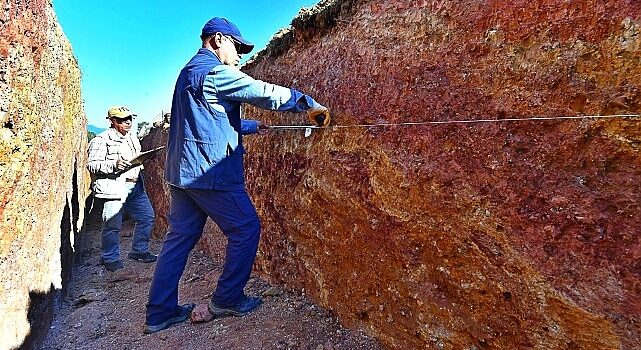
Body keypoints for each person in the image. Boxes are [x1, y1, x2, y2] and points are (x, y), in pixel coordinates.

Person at [144, 17, 330, 334]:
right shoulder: (216, 71)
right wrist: (307, 104)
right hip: (208, 173)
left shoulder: (188, 72)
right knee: (246, 229)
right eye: (237, 47)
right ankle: (227, 299)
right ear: (218, 39)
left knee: (178, 240)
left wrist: (252, 127)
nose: (240, 55)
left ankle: (159, 313)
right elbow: (262, 92)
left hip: (181, 174)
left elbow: (204, 121)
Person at [87, 106, 157, 271]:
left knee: (147, 217)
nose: (128, 122)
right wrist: (113, 164)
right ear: (112, 121)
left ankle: (139, 251)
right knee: (112, 225)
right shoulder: (101, 140)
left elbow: (135, 159)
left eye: (130, 119)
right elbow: (91, 165)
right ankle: (109, 258)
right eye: (122, 120)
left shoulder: (132, 137)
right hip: (114, 188)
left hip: (136, 187)